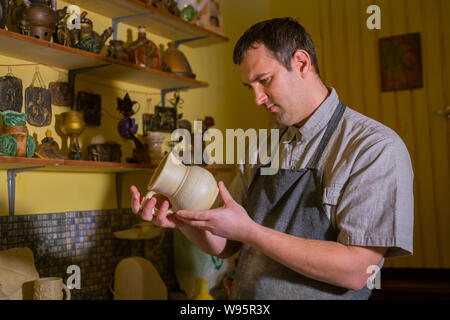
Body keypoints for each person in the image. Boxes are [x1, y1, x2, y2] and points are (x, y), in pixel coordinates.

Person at [130, 17, 414, 300]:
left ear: (301, 63)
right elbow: (227, 244)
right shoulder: (261, 148)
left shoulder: (373, 147)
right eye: (249, 87)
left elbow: (358, 270)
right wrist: (184, 223)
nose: (257, 98)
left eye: (264, 80)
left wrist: (251, 232)